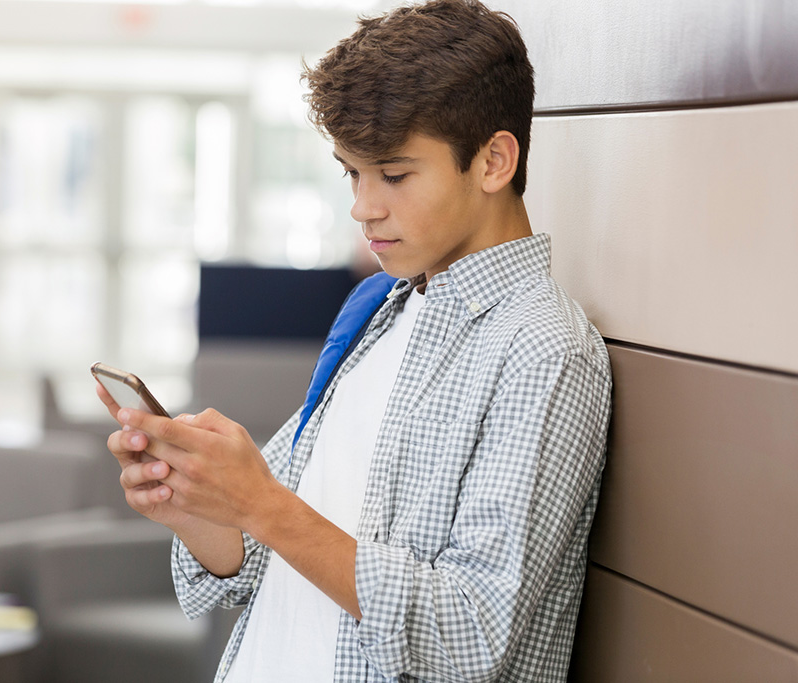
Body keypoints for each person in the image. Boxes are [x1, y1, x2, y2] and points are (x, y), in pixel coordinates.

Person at [97, 1, 612, 680]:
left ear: (493, 160)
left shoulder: (545, 350)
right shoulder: (376, 311)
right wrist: (196, 501)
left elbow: (474, 633)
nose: (363, 206)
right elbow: (255, 556)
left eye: (394, 174)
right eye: (352, 172)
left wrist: (262, 501)